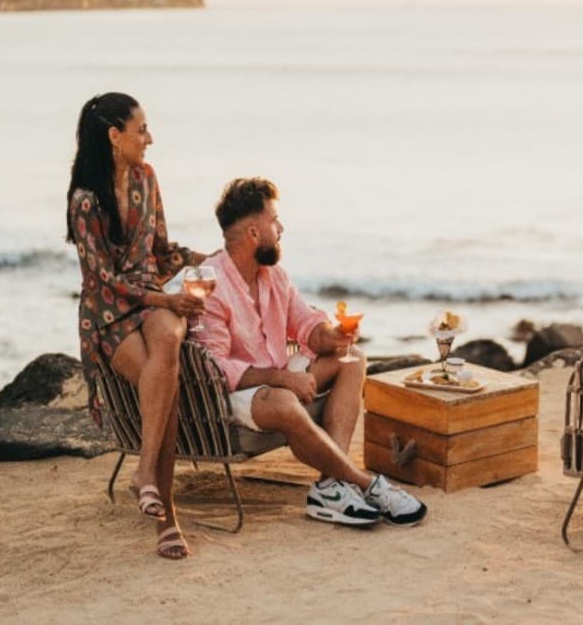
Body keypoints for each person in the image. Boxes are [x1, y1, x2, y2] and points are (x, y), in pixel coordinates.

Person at [194, 177, 427, 528]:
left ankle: (329, 486)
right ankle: (362, 483)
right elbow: (215, 368)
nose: (281, 227)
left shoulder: (274, 275)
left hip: (277, 378)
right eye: (274, 220)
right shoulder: (210, 283)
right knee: (285, 402)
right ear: (255, 233)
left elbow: (305, 325)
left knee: (354, 358)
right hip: (233, 394)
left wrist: (332, 336)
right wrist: (282, 378)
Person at [66, 92, 205, 560]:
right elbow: (100, 279)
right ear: (114, 136)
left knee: (168, 339)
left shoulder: (147, 178)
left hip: (150, 295)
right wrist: (161, 297)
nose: (150, 139)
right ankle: (167, 519)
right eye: (141, 130)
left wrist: (211, 260)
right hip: (108, 311)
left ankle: (145, 473)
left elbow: (162, 251)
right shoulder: (85, 202)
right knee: (164, 382)